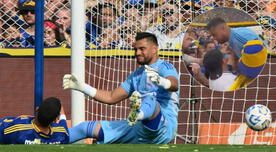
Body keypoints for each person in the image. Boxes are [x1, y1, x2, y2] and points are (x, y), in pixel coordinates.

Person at [63, 32, 180, 144]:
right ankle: (51, 140)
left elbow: (174, 84)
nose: (137, 53)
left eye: (142, 49)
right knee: (86, 128)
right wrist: (83, 87)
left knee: (150, 100)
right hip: (138, 129)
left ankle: (139, 114)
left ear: (154, 49)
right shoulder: (136, 76)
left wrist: (162, 81)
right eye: (135, 49)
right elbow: (111, 97)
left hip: (163, 127)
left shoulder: (165, 67)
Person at [0, 97, 69, 144]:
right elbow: (63, 121)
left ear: (37, 109)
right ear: (55, 119)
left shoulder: (18, 129)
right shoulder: (62, 135)